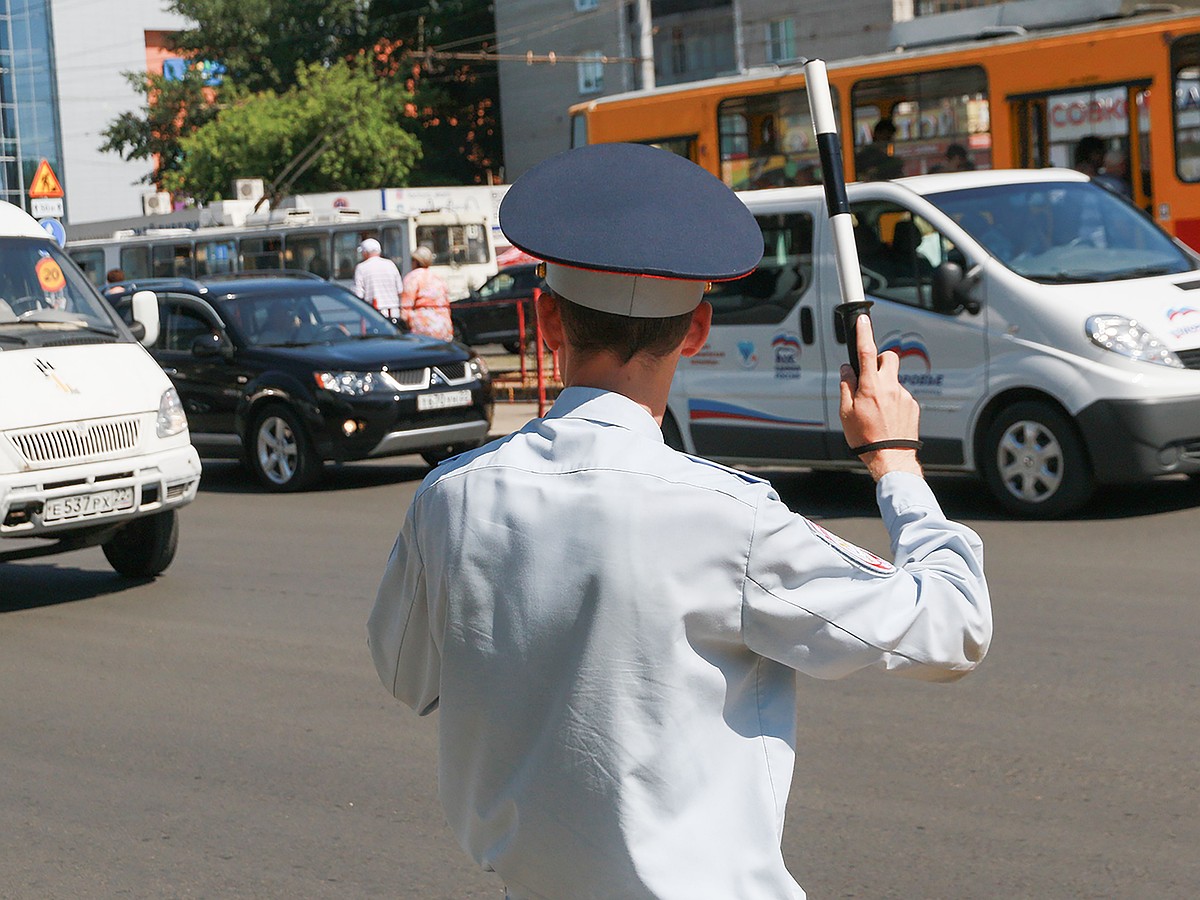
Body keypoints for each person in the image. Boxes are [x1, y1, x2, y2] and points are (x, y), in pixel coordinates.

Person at [367, 142, 992, 899]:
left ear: (547, 318)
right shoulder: (731, 518)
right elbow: (953, 626)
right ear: (695, 332)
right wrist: (895, 462)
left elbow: (407, 676)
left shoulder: (450, 496)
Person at [399, 244, 453, 341]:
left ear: (415, 261)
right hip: (443, 324)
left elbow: (406, 307)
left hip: (423, 325)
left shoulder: (412, 277)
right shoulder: (438, 277)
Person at [352, 237, 402, 320]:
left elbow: (359, 294)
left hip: (374, 313)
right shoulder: (391, 264)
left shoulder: (361, 268)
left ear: (365, 252)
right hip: (394, 311)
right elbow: (400, 289)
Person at [855, 117, 904, 181]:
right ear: (878, 134)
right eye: (887, 137)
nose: (889, 141)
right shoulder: (869, 152)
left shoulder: (887, 152)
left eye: (890, 137)